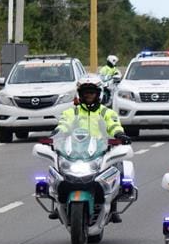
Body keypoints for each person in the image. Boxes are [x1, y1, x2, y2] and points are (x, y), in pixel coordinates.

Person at [51, 75, 131, 223]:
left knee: (117, 167)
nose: (89, 95)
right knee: (57, 168)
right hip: (75, 150)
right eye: (86, 93)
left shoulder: (106, 112)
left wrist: (119, 134)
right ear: (80, 94)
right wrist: (56, 133)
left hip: (100, 149)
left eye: (92, 92)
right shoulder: (72, 112)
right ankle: (57, 202)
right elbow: (63, 124)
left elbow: (113, 125)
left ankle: (113, 206)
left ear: (98, 94)